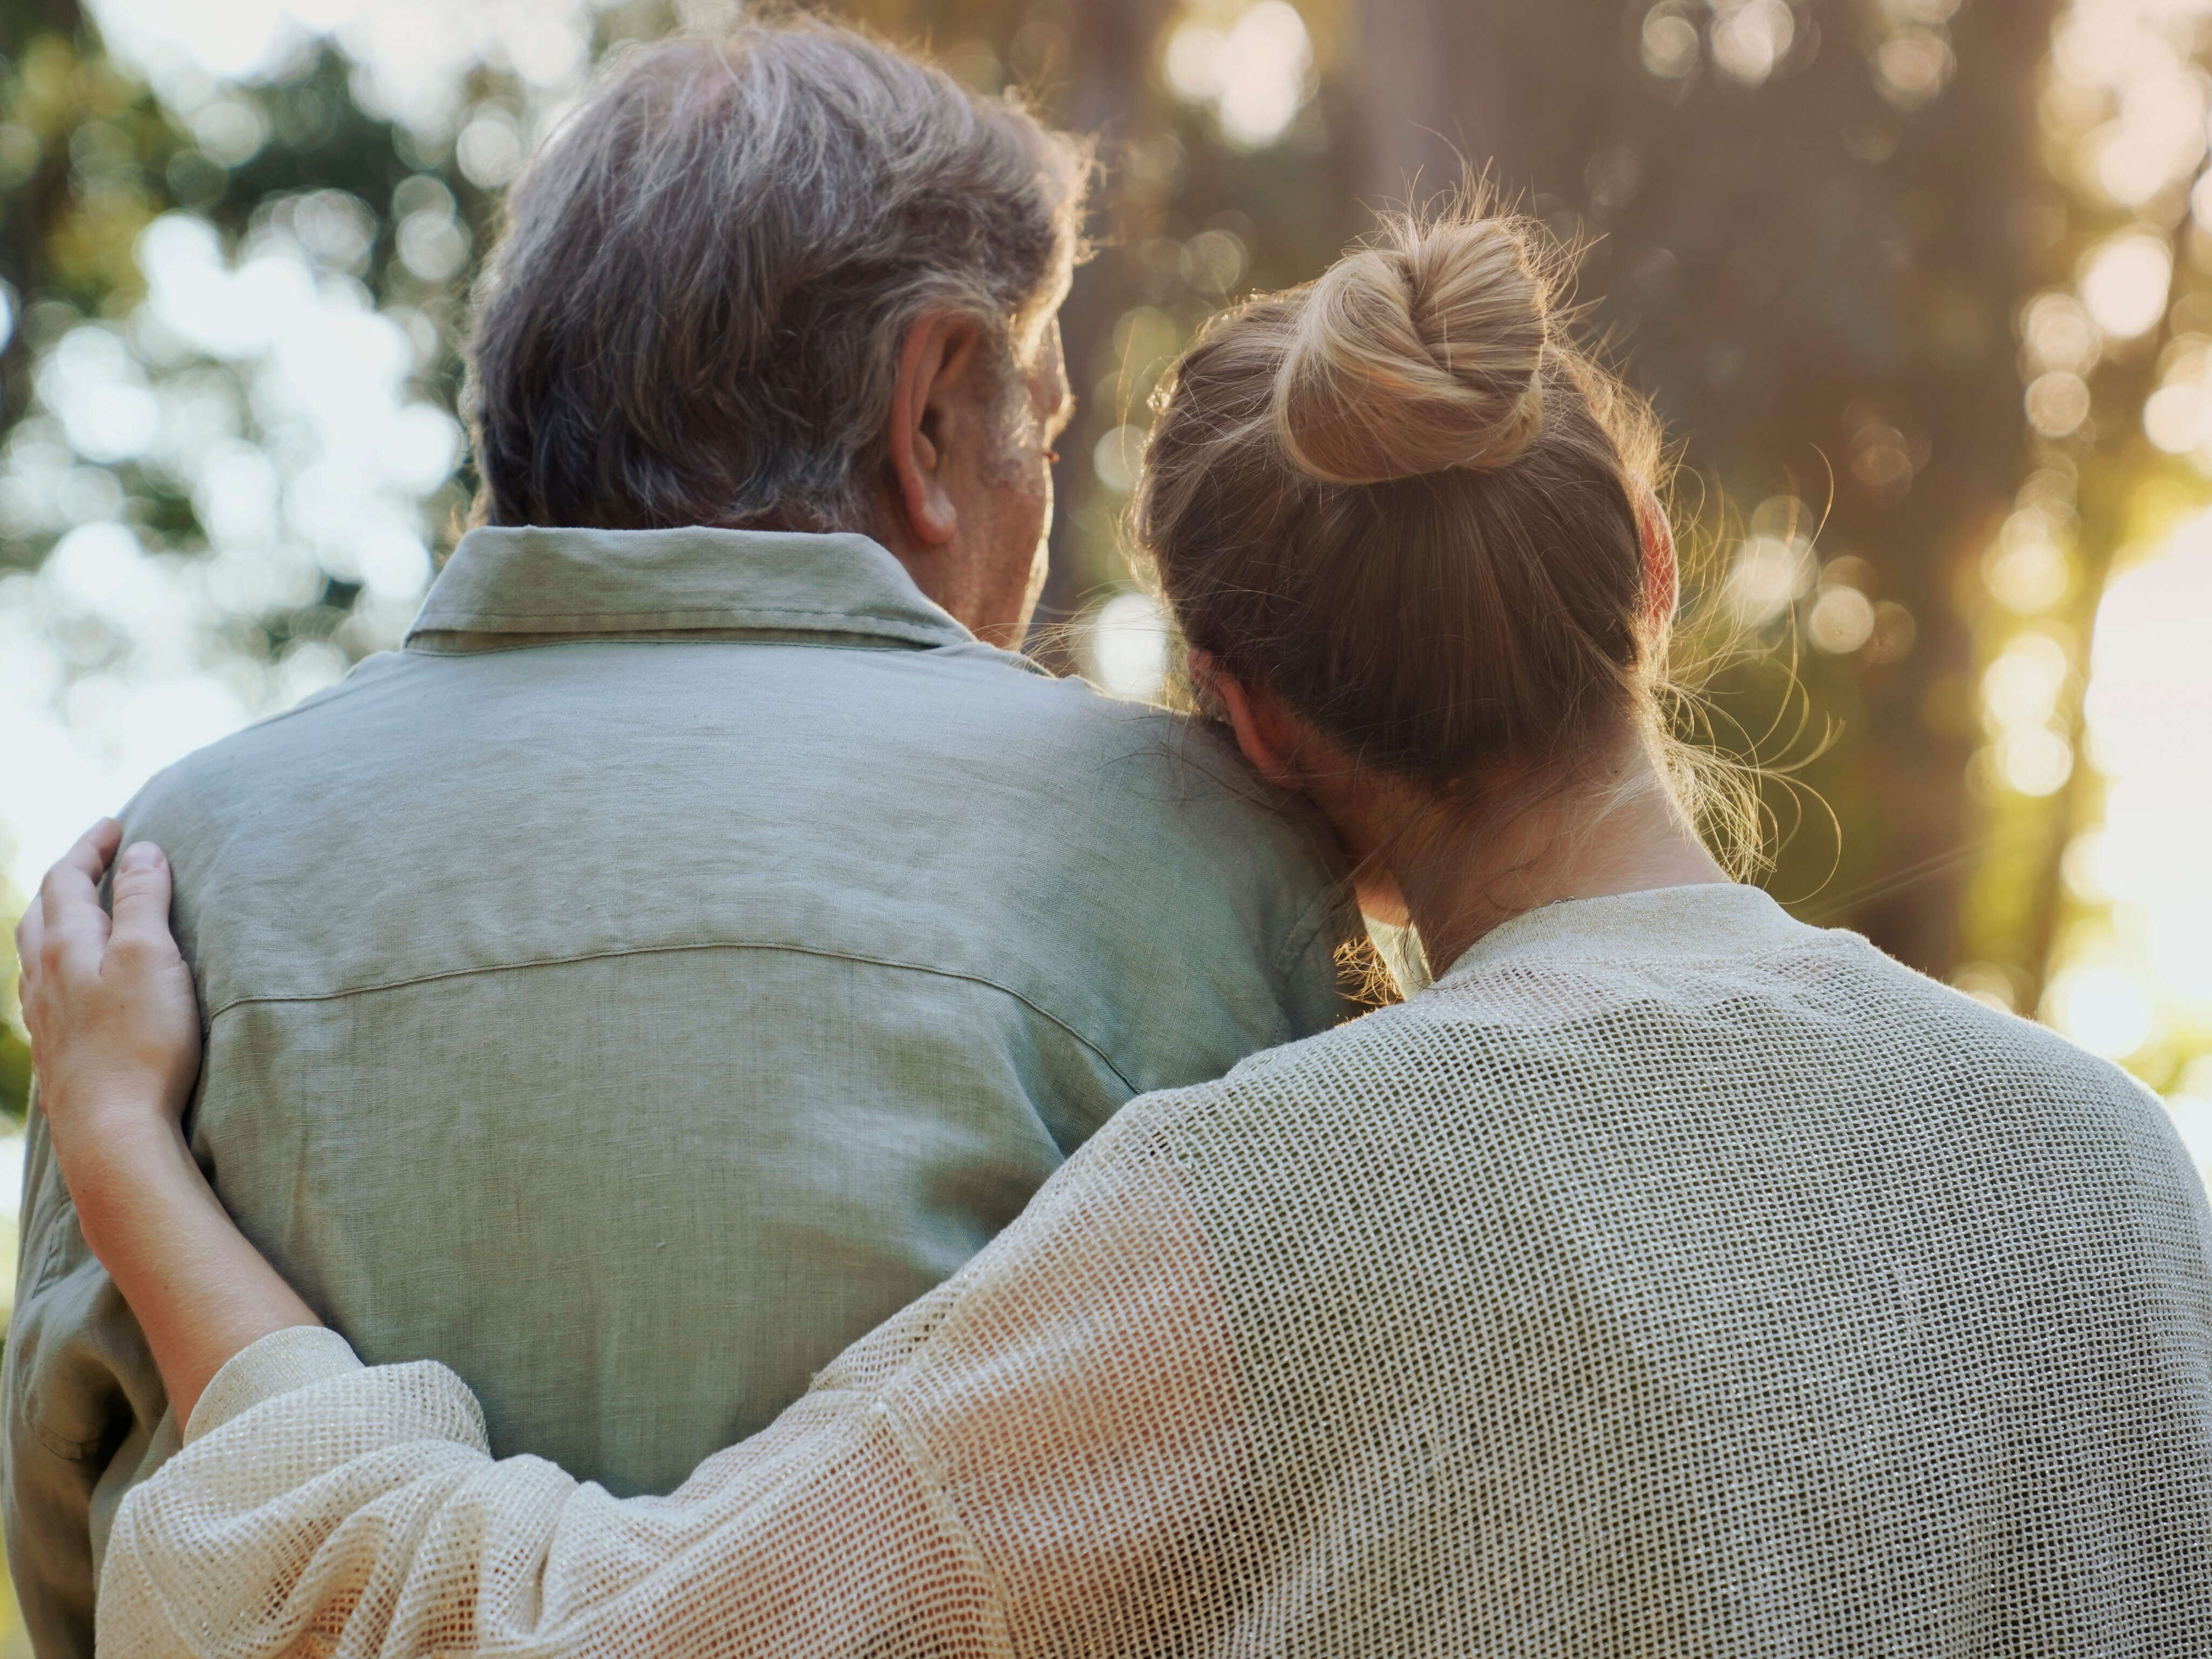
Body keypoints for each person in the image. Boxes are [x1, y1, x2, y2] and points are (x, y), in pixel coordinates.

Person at [23, 208, 2212, 1656]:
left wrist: (127, 1142)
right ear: (1644, 562)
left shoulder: (1253, 1219)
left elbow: (559, 1632)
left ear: (1242, 726)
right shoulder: (2107, 1174)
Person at [0, 22, 1364, 1655]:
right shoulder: (1213, 863)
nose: (1040, 493)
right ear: (928, 414)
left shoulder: (162, 890)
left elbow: (81, 1558)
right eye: (1047, 436)